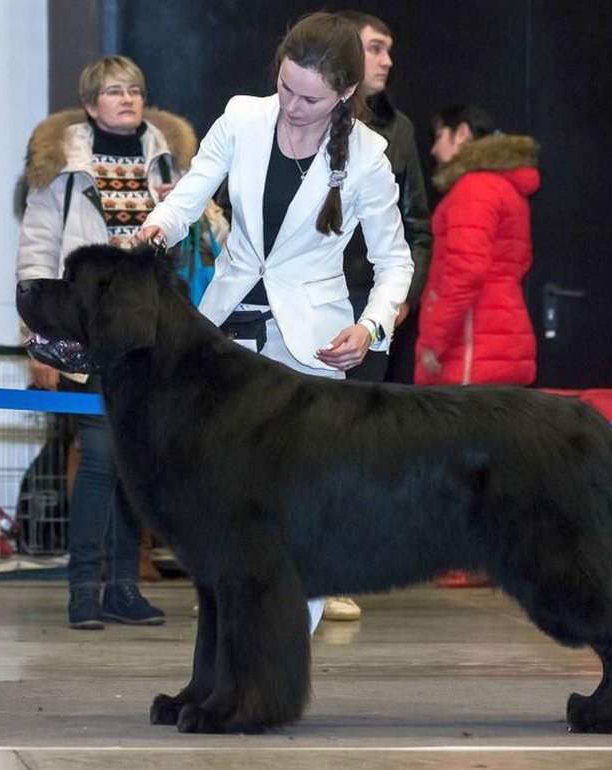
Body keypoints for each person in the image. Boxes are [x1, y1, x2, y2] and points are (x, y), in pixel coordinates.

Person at [136, 12, 414, 635]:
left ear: (345, 92)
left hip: (311, 345)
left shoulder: (369, 156)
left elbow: (394, 261)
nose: (291, 105)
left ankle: (281, 652)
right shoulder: (241, 116)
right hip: (224, 336)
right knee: (218, 503)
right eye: (285, 87)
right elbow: (188, 195)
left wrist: (370, 330)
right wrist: (158, 228)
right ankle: (227, 647)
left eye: (310, 97)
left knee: (299, 512)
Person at [16, 55, 201, 629]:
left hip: (152, 335)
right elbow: (38, 251)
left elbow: (208, 241)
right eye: (115, 91)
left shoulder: (173, 160)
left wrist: (189, 209)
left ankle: (123, 587)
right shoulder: (61, 165)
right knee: (98, 460)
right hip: (91, 332)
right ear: (92, 103)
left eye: (137, 91)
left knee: (135, 464)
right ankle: (82, 591)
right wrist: (38, 333)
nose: (128, 99)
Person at [319, 10, 432, 623]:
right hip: (308, 304)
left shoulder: (400, 130)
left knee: (358, 444)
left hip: (372, 306)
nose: (386, 61)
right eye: (375, 49)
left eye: (390, 50)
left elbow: (417, 223)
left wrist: (399, 297)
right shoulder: (296, 118)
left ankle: (342, 572)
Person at [415, 104, 539, 588]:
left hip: (472, 341)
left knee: (462, 457)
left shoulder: (474, 188)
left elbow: (463, 273)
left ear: (462, 133)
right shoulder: (505, 186)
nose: (432, 148)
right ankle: (496, 555)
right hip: (500, 332)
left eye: (439, 135)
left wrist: (432, 341)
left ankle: (471, 558)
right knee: (496, 458)